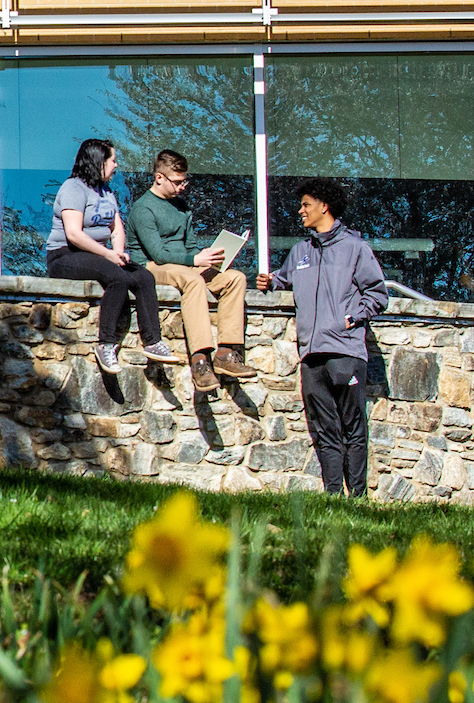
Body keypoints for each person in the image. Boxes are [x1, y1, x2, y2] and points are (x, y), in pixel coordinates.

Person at [256, 177, 388, 496]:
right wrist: (268, 282)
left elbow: (378, 294)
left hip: (345, 353)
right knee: (326, 431)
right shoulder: (301, 251)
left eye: (306, 205)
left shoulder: (356, 248)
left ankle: (356, 497)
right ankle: (333, 497)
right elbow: (283, 281)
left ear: (324, 206)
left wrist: (351, 318)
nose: (300, 211)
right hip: (311, 357)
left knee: (353, 429)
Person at [45, 138, 185, 376]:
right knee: (117, 278)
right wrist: (109, 255)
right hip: (65, 255)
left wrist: (118, 252)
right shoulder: (73, 188)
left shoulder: (106, 192)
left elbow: (116, 228)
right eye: (112, 160)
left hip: (100, 255)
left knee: (143, 276)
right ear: (98, 162)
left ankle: (153, 342)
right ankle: (106, 345)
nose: (116, 165)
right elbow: (74, 234)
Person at [126, 149, 257, 394]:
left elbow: (191, 247)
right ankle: (200, 360)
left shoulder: (182, 207)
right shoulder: (143, 208)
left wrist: (207, 257)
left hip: (186, 264)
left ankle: (227, 352)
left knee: (235, 279)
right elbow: (158, 254)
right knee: (192, 280)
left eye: (184, 181)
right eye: (177, 181)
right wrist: (194, 259)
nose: (182, 186)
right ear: (159, 177)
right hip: (153, 267)